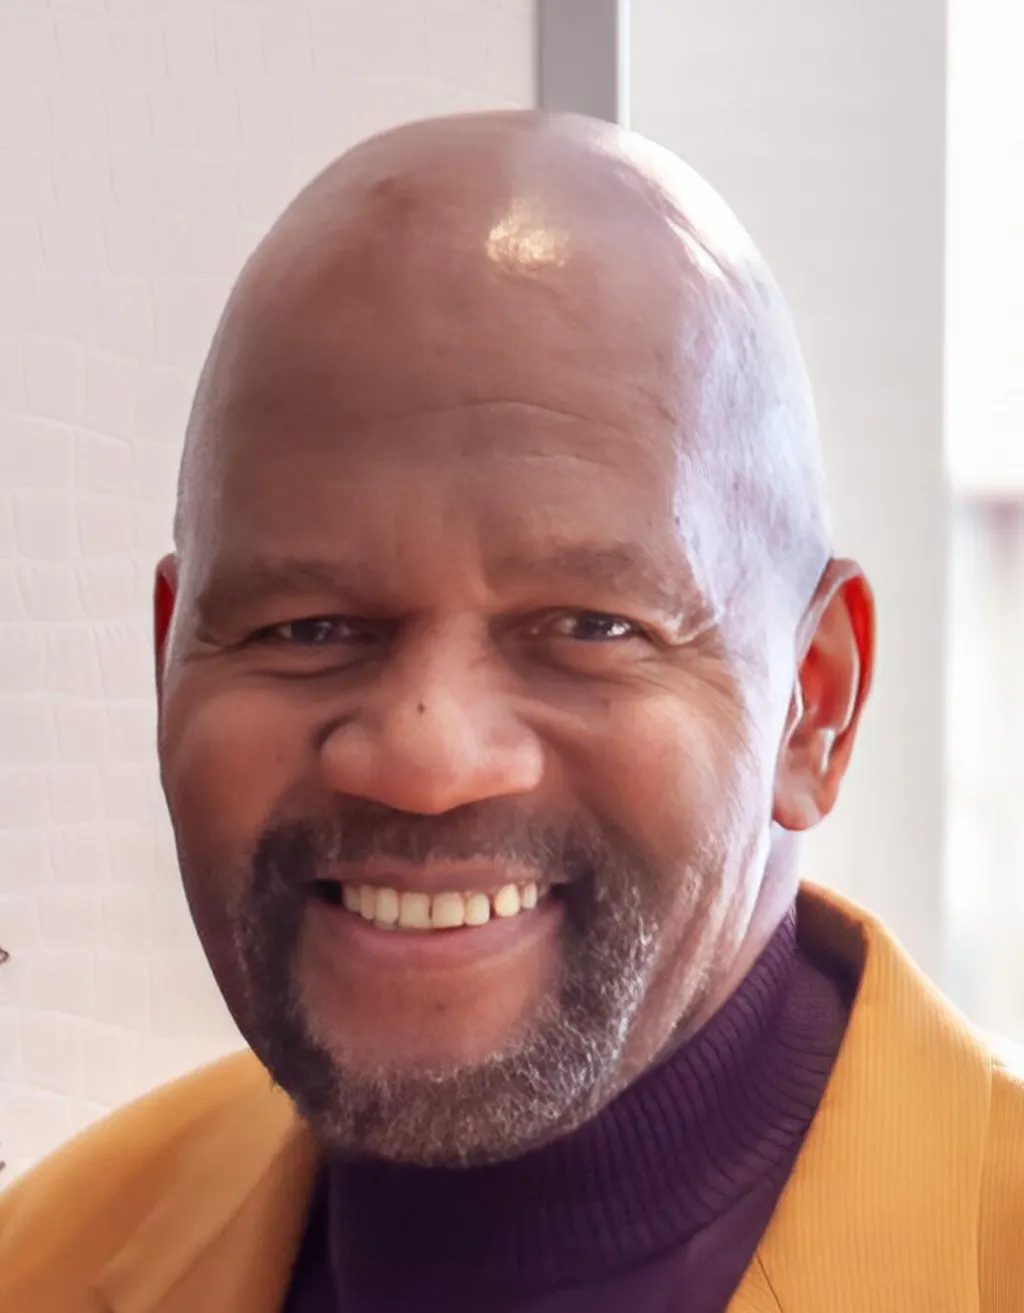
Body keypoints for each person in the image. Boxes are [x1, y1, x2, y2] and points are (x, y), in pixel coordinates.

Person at [1, 110, 1021, 1313]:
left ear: (816, 706)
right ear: (169, 663)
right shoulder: (41, 1263)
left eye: (590, 624)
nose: (424, 757)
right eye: (307, 627)